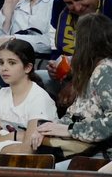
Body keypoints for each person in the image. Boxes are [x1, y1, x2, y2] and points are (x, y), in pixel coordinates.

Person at [34, 14, 112, 156]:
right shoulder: (88, 70)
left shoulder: (105, 71)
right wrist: (49, 129)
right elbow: (74, 114)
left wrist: (70, 130)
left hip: (100, 153)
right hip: (83, 146)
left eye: (77, 37)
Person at [0, 38, 59, 156]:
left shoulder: (39, 99)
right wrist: (15, 136)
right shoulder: (0, 96)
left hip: (32, 163)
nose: (4, 68)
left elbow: (29, 150)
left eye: (12, 63)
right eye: (1, 62)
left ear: (28, 67)